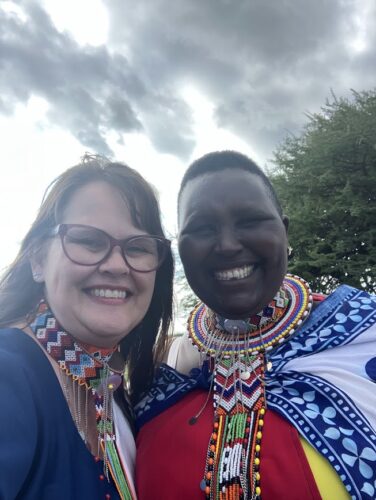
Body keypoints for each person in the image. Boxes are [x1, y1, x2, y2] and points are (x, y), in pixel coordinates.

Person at [135, 151, 376, 500]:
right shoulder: (163, 375)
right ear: (181, 250)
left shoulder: (362, 334)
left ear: (284, 230)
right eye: (202, 228)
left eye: (250, 221)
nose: (229, 245)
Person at [0, 154, 173, 499]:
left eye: (137, 248)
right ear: (38, 259)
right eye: (88, 241)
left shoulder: (113, 394)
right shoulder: (8, 373)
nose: (115, 265)